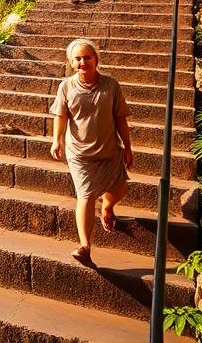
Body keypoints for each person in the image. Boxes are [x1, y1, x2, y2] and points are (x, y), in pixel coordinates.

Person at [50, 38, 134, 265]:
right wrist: (57, 140)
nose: (82, 61)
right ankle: (85, 246)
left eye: (87, 57)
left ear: (96, 59)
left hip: (108, 150)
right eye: (77, 58)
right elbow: (61, 115)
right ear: (71, 62)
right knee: (85, 196)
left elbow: (120, 118)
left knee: (119, 190)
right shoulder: (66, 86)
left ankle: (107, 207)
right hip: (79, 153)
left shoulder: (111, 85)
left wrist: (127, 147)